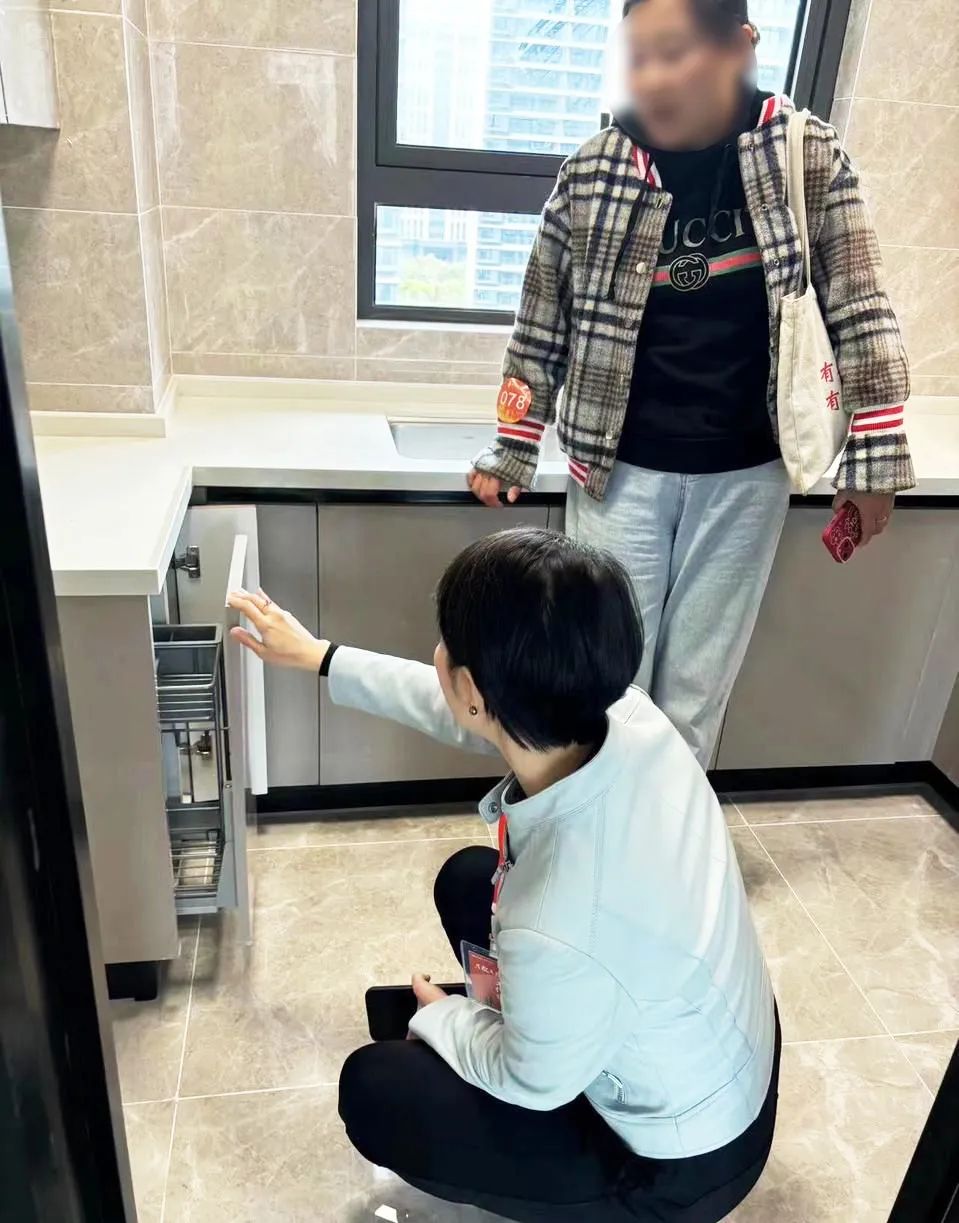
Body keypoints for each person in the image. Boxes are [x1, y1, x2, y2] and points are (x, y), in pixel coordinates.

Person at [227, 526, 780, 1223]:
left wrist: (445, 1018)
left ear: (471, 687)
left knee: (376, 1085)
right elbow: (471, 712)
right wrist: (322, 657)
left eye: (446, 646)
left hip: (680, 1165)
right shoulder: (626, 714)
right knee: (470, 879)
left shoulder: (561, 913)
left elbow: (532, 1081)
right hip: (725, 1053)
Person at [468, 0, 914, 768]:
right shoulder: (593, 171)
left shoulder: (805, 156)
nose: (652, 78)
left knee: (696, 690)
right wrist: (512, 445)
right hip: (616, 473)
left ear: (740, 45)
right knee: (605, 680)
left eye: (673, 54)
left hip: (746, 474)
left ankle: (669, 834)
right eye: (637, 57)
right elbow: (541, 321)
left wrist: (873, 464)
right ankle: (601, 826)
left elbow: (859, 306)